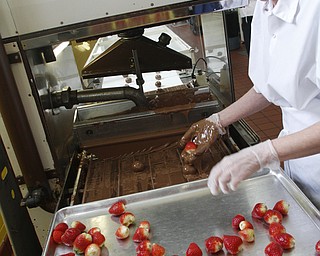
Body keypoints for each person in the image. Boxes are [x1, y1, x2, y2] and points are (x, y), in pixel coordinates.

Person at [179, 0, 320, 210]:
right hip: (300, 160)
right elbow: (269, 86)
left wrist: (262, 153)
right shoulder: (265, 7)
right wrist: (217, 121)